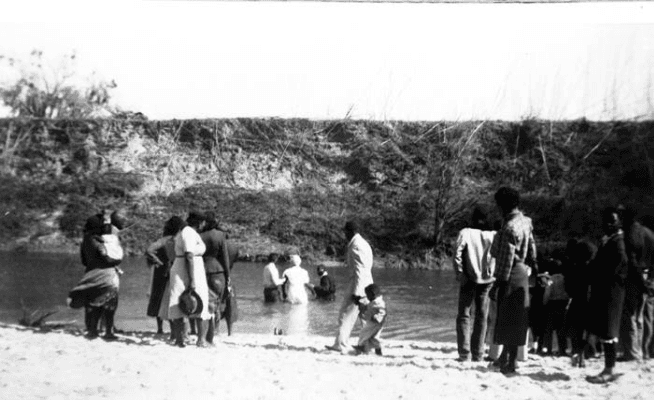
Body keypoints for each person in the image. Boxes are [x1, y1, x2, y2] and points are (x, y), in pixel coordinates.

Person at [489, 187, 537, 375]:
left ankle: (509, 363)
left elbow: (506, 260)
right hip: (523, 271)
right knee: (517, 318)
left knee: (507, 318)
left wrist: (497, 283)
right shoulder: (526, 221)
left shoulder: (509, 227)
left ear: (503, 205)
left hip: (511, 273)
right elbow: (532, 248)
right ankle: (507, 358)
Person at [586, 207, 628, 384]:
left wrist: (605, 275)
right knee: (605, 329)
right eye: (607, 221)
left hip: (611, 291)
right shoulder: (609, 239)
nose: (608, 224)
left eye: (612, 221)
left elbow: (621, 263)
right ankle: (608, 367)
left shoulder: (618, 242)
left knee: (609, 330)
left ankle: (609, 369)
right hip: (605, 290)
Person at [159, 211, 212, 348]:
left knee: (181, 302)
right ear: (200, 222)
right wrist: (192, 279)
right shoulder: (188, 232)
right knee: (198, 301)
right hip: (188, 268)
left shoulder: (186, 232)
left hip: (186, 267)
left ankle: (180, 339)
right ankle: (197, 340)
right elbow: (189, 255)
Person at [68, 213, 123, 340]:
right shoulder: (98, 241)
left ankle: (92, 330)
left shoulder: (85, 240)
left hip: (90, 272)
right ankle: (108, 332)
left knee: (92, 303)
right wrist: (115, 262)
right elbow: (106, 257)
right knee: (110, 303)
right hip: (106, 274)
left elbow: (83, 260)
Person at [453, 206, 496, 362]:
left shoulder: (466, 233)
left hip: (468, 278)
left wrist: (459, 273)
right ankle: (478, 354)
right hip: (488, 279)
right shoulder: (493, 235)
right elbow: (498, 255)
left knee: (464, 315)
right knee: (482, 316)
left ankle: (464, 354)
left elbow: (457, 253)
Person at [326, 220, 374, 354]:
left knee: (345, 314)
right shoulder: (364, 243)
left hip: (358, 284)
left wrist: (357, 292)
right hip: (368, 284)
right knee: (365, 317)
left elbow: (360, 269)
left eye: (345, 232)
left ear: (350, 232)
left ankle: (340, 344)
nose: (344, 235)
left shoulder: (356, 245)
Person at [619, 206, 654, 362]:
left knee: (631, 316)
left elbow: (632, 261)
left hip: (635, 278)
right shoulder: (649, 233)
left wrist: (641, 281)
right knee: (645, 317)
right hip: (649, 277)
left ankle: (632, 352)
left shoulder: (630, 233)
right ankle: (644, 351)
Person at [200, 212, 236, 342]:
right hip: (218, 271)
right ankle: (215, 331)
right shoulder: (220, 235)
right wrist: (228, 276)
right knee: (218, 302)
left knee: (205, 302)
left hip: (203, 270)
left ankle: (204, 330)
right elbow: (225, 257)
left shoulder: (200, 235)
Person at [145, 216, 182, 335]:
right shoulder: (173, 240)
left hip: (160, 271)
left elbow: (149, 251)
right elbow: (149, 250)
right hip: (171, 270)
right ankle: (172, 329)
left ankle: (160, 328)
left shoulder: (163, 240)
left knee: (158, 297)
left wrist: (157, 261)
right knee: (170, 298)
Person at [563, 237, 597, 367]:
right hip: (591, 302)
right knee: (587, 330)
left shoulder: (574, 268)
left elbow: (569, 289)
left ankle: (577, 353)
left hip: (578, 301)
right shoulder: (593, 268)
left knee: (575, 329)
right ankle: (585, 352)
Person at [353, 283, 386, 356]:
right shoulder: (380, 301)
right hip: (379, 323)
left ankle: (361, 347)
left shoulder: (375, 303)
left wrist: (359, 304)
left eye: (368, 295)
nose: (367, 297)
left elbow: (367, 313)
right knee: (372, 337)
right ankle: (378, 349)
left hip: (374, 322)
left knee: (363, 334)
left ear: (373, 294)